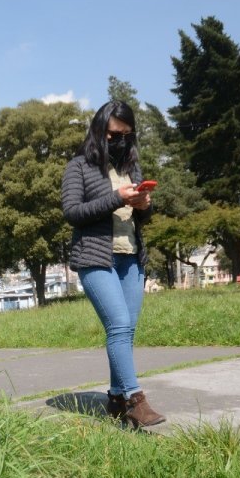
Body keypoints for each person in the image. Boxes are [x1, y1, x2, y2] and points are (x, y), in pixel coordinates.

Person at [61, 100, 165, 429]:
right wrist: (117, 197)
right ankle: (137, 400)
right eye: (112, 134)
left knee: (126, 332)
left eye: (126, 134)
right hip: (95, 257)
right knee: (118, 324)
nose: (119, 140)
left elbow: (140, 218)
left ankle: (117, 401)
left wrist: (144, 204)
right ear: (98, 131)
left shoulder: (132, 169)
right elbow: (73, 212)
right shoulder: (79, 166)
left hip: (131, 257)